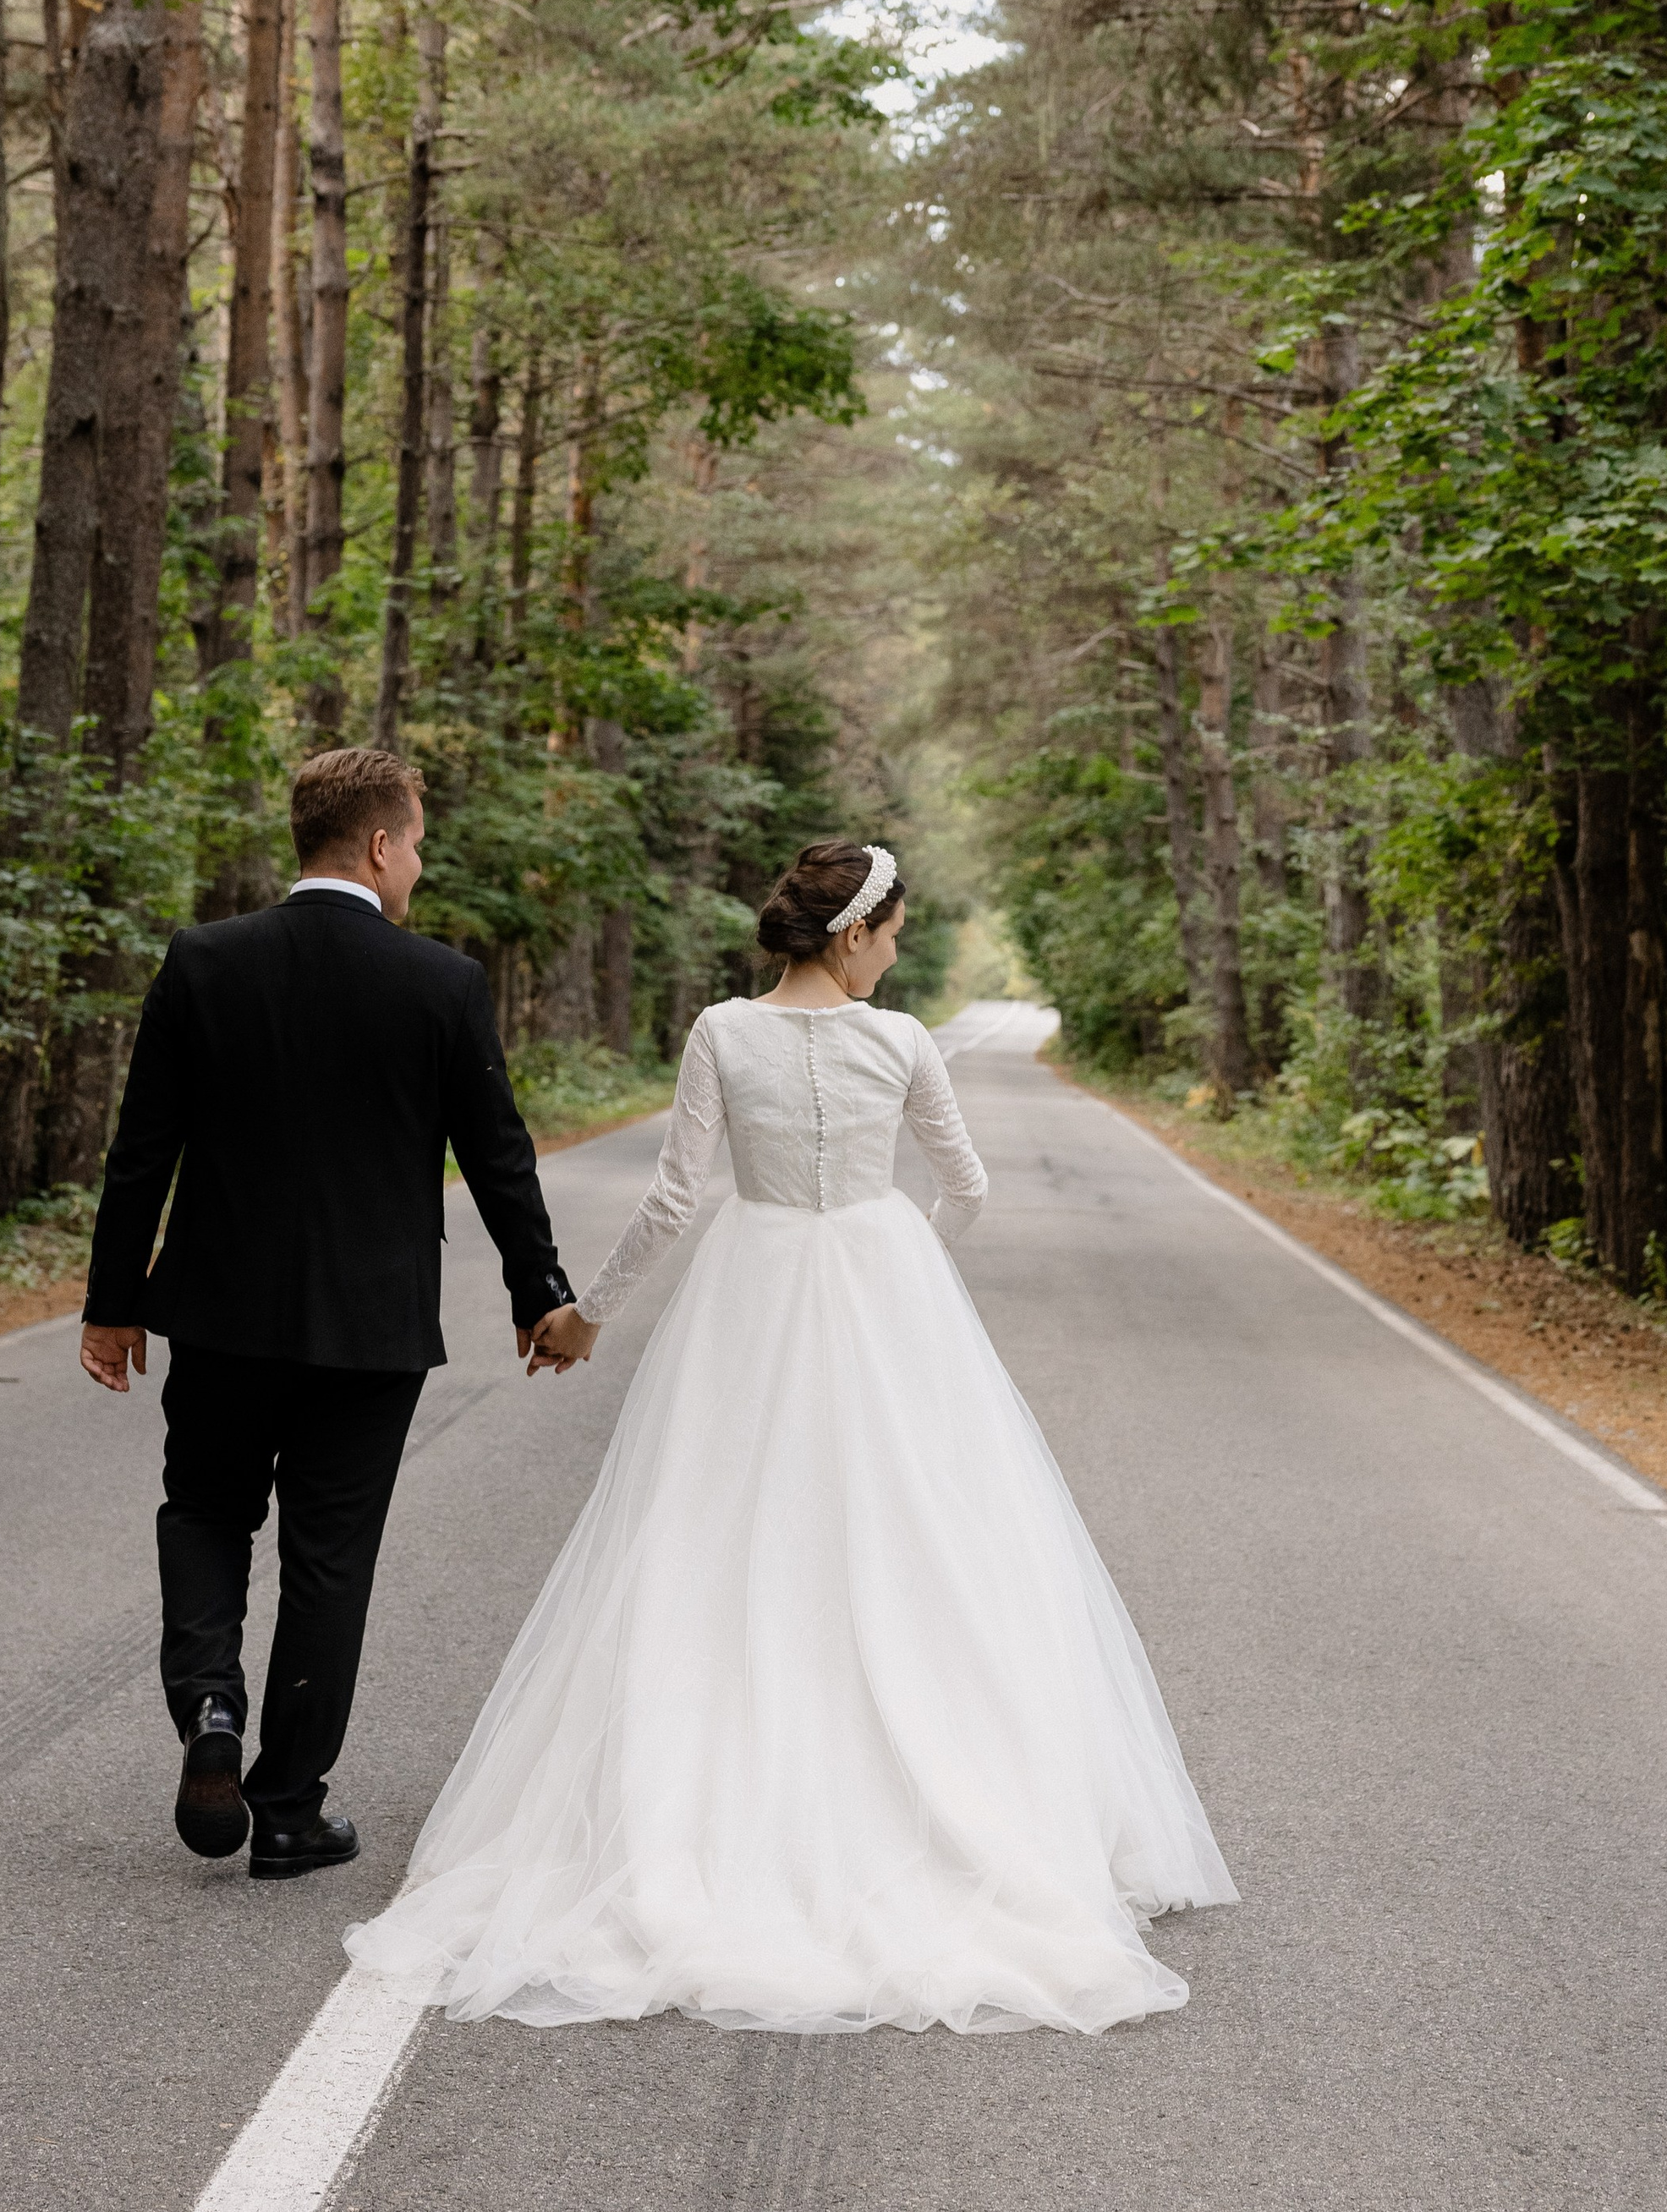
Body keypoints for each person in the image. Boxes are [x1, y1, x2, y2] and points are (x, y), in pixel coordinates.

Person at [345, 838, 1236, 2033]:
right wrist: (903, 1260)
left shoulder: (724, 1030)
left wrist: (586, 1316)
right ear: (857, 931)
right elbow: (965, 1187)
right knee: (913, 1537)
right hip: (884, 1285)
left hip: (752, 1282)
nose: (899, 952)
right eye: (897, 933)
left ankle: (712, 1790)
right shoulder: (903, 1042)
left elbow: (673, 1197)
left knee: (721, 1534)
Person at [80, 746, 580, 1881]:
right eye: (417, 845)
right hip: (370, 1329)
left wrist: (113, 1307)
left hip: (218, 1311)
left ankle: (209, 1705)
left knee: (204, 1510)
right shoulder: (441, 983)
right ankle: (290, 1808)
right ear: (379, 844)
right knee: (328, 1559)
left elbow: (139, 1152)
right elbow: (497, 1158)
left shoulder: (206, 962)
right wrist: (537, 1294)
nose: (421, 866)